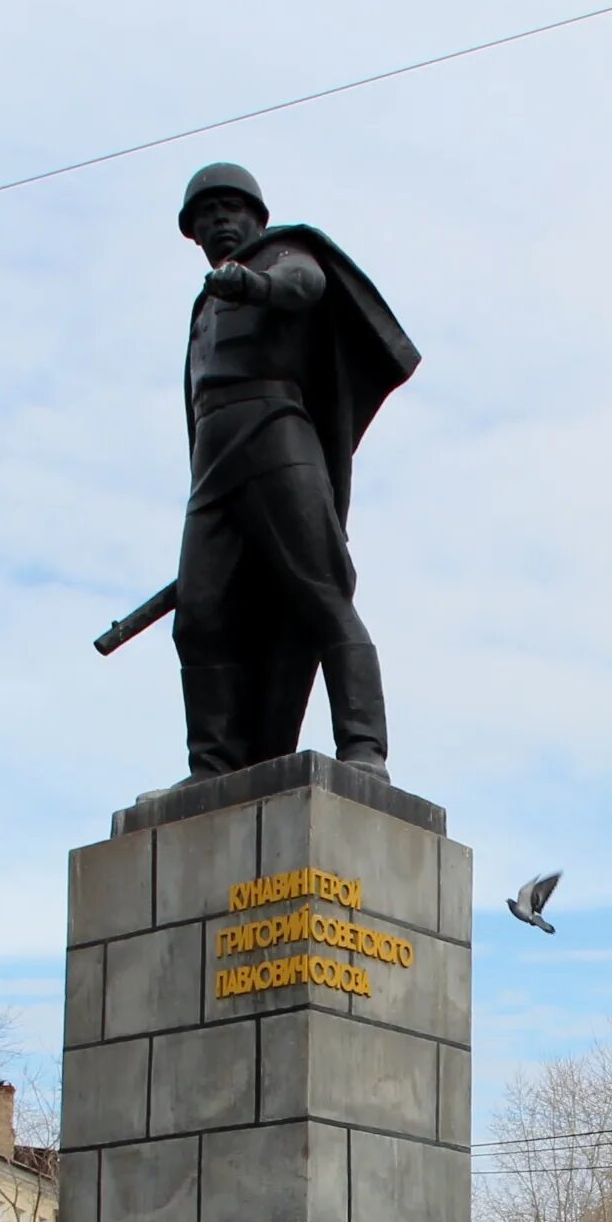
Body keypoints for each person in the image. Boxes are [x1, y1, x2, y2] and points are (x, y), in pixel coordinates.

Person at [166, 162, 418, 780]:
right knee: (199, 613)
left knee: (321, 590)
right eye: (206, 215)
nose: (219, 222)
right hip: (213, 463)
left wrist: (253, 286)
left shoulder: (283, 253)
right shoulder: (203, 306)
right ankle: (213, 765)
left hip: (274, 430)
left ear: (256, 216)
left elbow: (305, 284)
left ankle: (363, 747)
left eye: (230, 209)